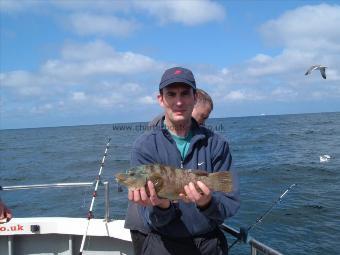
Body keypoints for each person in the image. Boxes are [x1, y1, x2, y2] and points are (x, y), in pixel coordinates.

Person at [125, 67, 240, 255]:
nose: (178, 101)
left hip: (209, 245)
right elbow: (148, 219)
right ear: (161, 99)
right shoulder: (144, 146)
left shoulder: (217, 144)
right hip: (163, 245)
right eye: (171, 94)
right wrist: (162, 205)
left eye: (185, 93)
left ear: (194, 97)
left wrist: (207, 202)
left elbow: (230, 206)